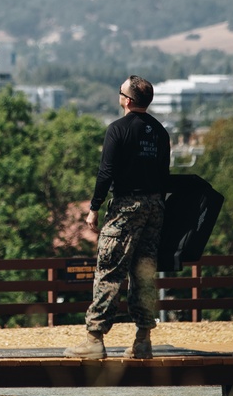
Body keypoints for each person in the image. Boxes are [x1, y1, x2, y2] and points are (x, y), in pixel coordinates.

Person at [64, 75, 171, 360]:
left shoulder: (118, 129)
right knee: (144, 275)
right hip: (155, 209)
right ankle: (143, 340)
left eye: (120, 92)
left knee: (109, 271)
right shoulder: (160, 132)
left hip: (125, 208)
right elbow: (164, 176)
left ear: (127, 100)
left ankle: (94, 339)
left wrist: (95, 207)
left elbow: (106, 172)